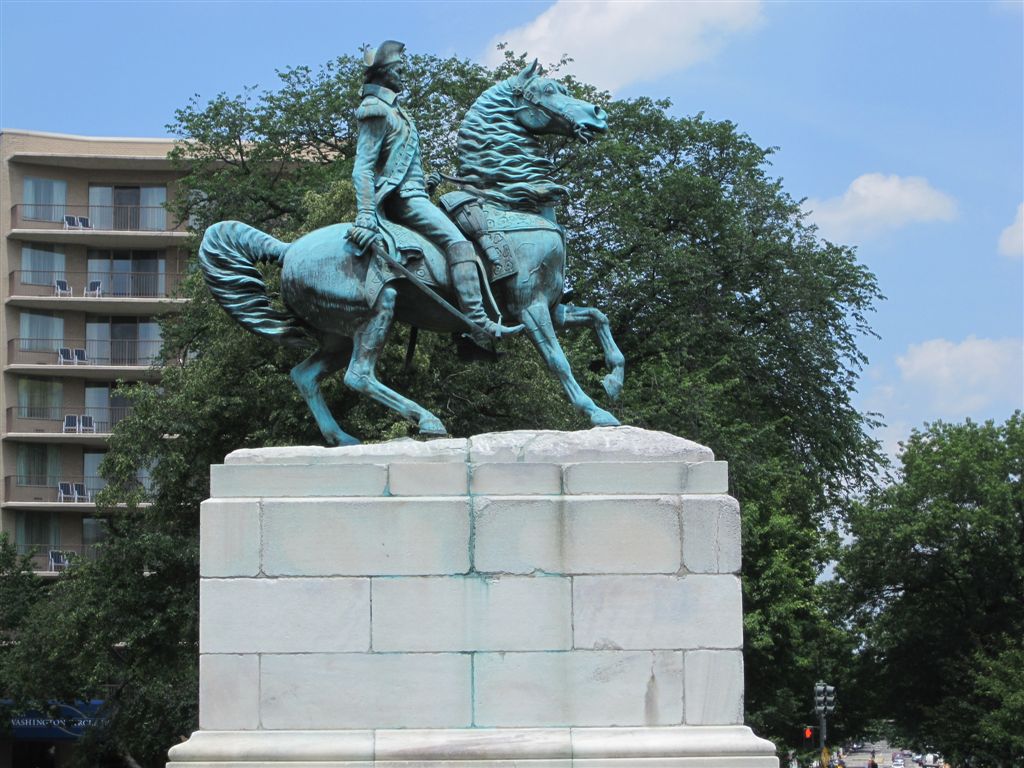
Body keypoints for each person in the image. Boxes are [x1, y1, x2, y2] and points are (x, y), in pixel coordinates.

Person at [348, 40, 521, 346]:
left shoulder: (396, 111)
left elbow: (398, 164)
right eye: (399, 70)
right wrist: (365, 214)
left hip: (416, 194)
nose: (404, 76)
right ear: (385, 73)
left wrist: (424, 182)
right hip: (404, 201)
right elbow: (363, 168)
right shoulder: (375, 110)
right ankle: (478, 324)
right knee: (459, 243)